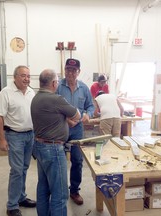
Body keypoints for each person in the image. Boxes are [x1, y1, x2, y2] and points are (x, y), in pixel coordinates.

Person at [31, 69, 81, 216]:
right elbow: (76, 114)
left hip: (40, 147)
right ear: (53, 83)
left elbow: (49, 117)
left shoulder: (36, 98)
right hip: (53, 150)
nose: (58, 84)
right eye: (57, 81)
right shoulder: (56, 99)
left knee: (43, 188)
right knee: (60, 194)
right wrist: (68, 116)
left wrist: (63, 119)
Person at [0, 65, 36, 216]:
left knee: (24, 168)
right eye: (23, 75)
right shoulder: (6, 92)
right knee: (17, 171)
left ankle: (21, 197)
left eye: (28, 76)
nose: (27, 79)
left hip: (30, 135)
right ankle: (12, 205)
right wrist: (2, 139)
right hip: (14, 135)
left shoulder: (31, 92)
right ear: (15, 77)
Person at [56, 58, 94, 205]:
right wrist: (65, 119)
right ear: (64, 70)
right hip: (60, 128)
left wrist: (87, 115)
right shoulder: (58, 86)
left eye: (73, 70)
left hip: (77, 130)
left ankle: (74, 191)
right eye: (68, 70)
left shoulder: (84, 88)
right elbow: (52, 107)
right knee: (58, 161)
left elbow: (91, 106)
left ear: (79, 72)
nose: (70, 73)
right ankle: (60, 191)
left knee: (77, 161)